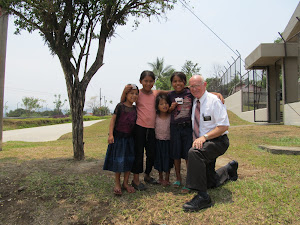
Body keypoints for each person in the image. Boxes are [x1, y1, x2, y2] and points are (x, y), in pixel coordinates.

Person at [182, 75, 238, 212]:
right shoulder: (194, 101)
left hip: (218, 141)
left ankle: (203, 197)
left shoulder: (214, 101)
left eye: (197, 85)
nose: (194, 89)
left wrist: (204, 137)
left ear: (205, 84)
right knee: (210, 182)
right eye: (192, 87)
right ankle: (229, 169)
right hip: (205, 143)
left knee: (194, 153)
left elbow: (223, 126)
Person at [121, 71, 168, 191]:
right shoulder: (137, 93)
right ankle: (136, 180)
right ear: (140, 81)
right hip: (139, 128)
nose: (148, 83)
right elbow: (124, 101)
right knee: (139, 154)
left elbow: (170, 92)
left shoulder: (156, 93)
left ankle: (147, 175)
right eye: (145, 81)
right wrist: (124, 91)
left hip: (152, 129)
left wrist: (188, 88)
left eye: (151, 81)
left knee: (152, 153)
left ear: (154, 82)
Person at [103, 84, 139, 195]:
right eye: (131, 93)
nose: (134, 95)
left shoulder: (135, 109)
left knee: (129, 161)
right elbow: (113, 121)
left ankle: (126, 183)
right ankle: (117, 183)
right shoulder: (120, 106)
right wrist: (111, 135)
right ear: (126, 94)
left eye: (136, 94)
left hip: (130, 139)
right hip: (119, 138)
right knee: (118, 162)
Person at [167, 72, 193, 193]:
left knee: (188, 155)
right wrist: (171, 108)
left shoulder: (190, 92)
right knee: (176, 154)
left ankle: (189, 181)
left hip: (187, 127)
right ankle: (178, 178)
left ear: (184, 82)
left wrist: (218, 94)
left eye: (180, 81)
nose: (177, 83)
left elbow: (203, 93)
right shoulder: (170, 95)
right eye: (175, 81)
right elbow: (165, 110)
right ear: (172, 83)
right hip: (175, 128)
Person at [154, 93, 173, 186]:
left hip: (168, 142)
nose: (164, 105)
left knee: (168, 160)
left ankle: (167, 178)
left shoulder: (171, 116)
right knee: (159, 160)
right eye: (161, 104)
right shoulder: (155, 116)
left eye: (166, 103)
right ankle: (160, 177)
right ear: (157, 106)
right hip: (158, 141)